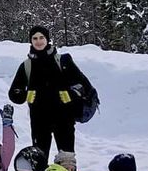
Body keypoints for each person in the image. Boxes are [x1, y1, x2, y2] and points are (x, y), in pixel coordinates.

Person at [8, 25, 94, 160]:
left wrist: (71, 94)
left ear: (47, 39)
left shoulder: (63, 61)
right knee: (39, 160)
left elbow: (85, 86)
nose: (38, 41)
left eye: (41, 37)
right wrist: (25, 95)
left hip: (64, 118)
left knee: (67, 160)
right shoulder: (26, 66)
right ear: (30, 41)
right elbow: (14, 93)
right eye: (35, 38)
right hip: (39, 120)